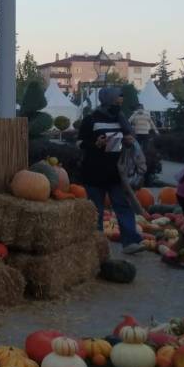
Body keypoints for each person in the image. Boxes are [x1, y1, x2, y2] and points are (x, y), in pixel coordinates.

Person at [78, 85, 144, 254]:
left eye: (121, 99)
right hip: (94, 171)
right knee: (96, 210)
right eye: (117, 99)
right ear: (109, 99)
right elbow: (79, 143)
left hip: (116, 172)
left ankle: (130, 241)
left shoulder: (121, 118)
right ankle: (96, 246)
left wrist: (128, 140)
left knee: (122, 205)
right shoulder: (91, 119)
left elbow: (128, 138)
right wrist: (95, 143)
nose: (120, 102)